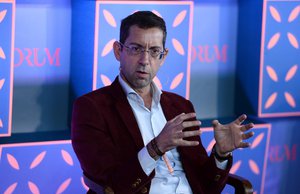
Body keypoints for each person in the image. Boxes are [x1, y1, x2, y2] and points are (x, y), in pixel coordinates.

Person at [71, 11, 254, 194]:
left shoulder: (181, 106)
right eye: (136, 48)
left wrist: (221, 153)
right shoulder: (91, 108)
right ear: (118, 51)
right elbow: (113, 184)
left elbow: (206, 187)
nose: (145, 61)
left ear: (163, 56)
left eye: (154, 51)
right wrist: (155, 147)